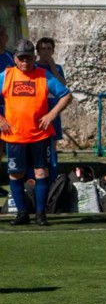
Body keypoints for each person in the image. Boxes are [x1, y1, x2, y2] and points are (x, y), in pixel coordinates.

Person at [0, 39, 71, 226]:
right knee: (16, 174)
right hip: (15, 135)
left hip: (40, 135)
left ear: (34, 58)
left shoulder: (43, 76)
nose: (25, 62)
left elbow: (66, 95)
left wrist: (51, 114)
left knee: (41, 172)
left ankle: (41, 214)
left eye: (29, 58)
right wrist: (1, 120)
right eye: (21, 58)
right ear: (15, 58)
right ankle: (22, 213)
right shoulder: (6, 76)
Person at [35, 37, 66, 177]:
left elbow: (63, 85)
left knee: (53, 143)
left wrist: (52, 66)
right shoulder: (34, 67)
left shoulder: (57, 67)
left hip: (53, 107)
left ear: (53, 51)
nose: (46, 52)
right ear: (38, 51)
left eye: (49, 49)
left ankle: (53, 174)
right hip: (38, 107)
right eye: (43, 49)